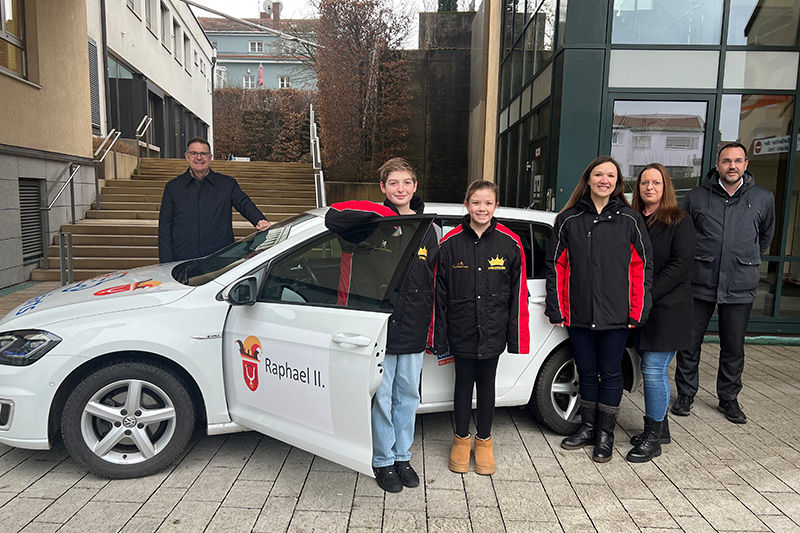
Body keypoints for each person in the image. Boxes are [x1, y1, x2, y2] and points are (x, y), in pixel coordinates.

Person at [323, 158, 439, 493]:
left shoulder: (429, 228)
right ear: (383, 187)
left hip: (414, 323)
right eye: (393, 183)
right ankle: (383, 460)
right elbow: (333, 216)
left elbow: (433, 278)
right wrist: (383, 213)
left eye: (407, 182)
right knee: (382, 396)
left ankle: (403, 456)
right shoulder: (371, 223)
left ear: (415, 186)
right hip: (380, 326)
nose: (401, 189)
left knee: (408, 395)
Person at [545, 156, 652, 463]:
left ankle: (606, 434)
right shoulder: (568, 220)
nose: (604, 180)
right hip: (578, 312)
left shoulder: (630, 220)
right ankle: (588, 427)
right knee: (586, 372)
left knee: (611, 372)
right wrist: (557, 308)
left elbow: (642, 268)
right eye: (598, 175)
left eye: (610, 176)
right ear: (588, 179)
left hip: (616, 314)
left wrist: (637, 311)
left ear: (617, 183)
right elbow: (556, 266)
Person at [431, 180, 530, 476]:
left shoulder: (510, 243)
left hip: (493, 330)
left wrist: (514, 337)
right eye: (476, 202)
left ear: (496, 206)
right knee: (462, 384)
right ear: (467, 205)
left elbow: (518, 294)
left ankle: (484, 441)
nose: (482, 208)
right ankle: (461, 440)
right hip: (460, 330)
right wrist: (438, 337)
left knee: (487, 385)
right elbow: (438, 294)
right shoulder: (449, 244)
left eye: (488, 203)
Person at [672, 143, 775, 424]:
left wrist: (743, 259)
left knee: (733, 346)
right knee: (689, 343)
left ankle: (729, 399)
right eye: (727, 161)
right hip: (700, 280)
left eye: (738, 161)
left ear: (746, 164)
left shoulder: (763, 198)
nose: (732, 166)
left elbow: (764, 237)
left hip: (740, 283)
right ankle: (685, 394)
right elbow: (683, 236)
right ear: (717, 165)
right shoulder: (696, 197)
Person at [626, 163, 695, 463]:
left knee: (653, 369)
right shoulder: (633, 219)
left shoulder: (679, 220)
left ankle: (653, 438)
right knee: (648, 366)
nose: (650, 187)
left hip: (668, 308)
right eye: (644, 183)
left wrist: (646, 293)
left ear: (665, 187)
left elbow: (681, 265)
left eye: (656, 182)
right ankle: (660, 428)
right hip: (640, 309)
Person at [158, 137, 270, 263]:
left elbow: (244, 203)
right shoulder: (173, 187)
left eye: (203, 154)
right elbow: (165, 228)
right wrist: (166, 263)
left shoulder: (227, 184)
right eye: (194, 153)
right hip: (183, 260)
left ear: (210, 157)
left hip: (219, 259)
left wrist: (259, 220)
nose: (199, 157)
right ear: (187, 156)